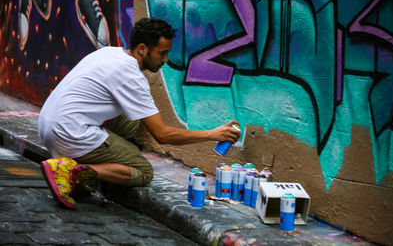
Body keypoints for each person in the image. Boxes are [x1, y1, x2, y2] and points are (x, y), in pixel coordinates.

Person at [38, 17, 241, 209]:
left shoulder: (110, 52)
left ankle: (89, 158)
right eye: (162, 53)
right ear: (142, 49)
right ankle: (72, 171)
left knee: (133, 119)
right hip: (68, 133)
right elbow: (162, 135)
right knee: (142, 171)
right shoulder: (132, 77)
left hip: (48, 124)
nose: (166, 59)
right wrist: (212, 134)